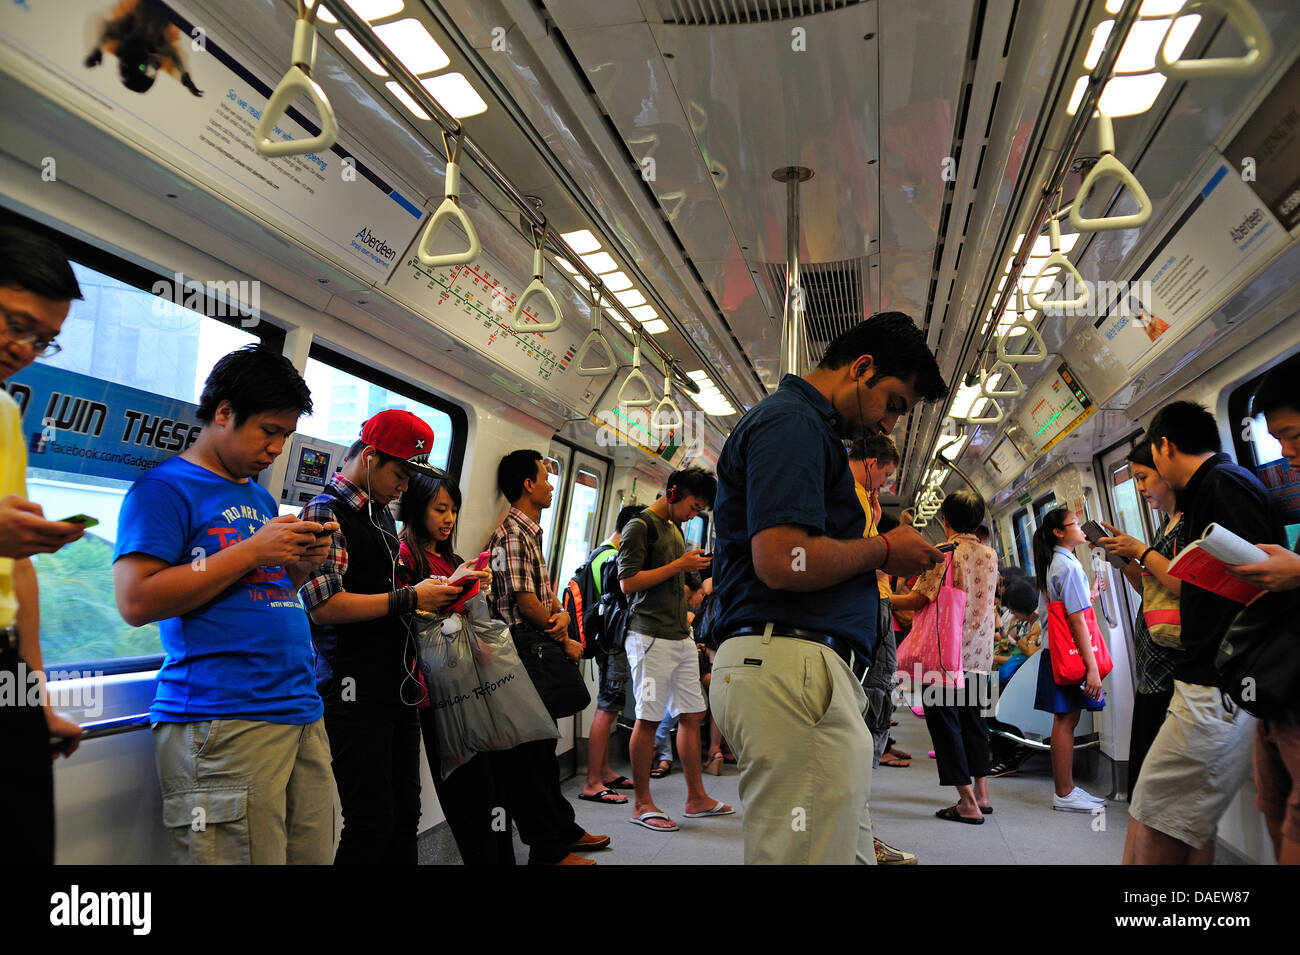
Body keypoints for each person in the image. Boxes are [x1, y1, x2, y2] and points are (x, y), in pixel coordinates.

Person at [710, 311, 948, 865]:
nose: (890, 423)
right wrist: (888, 552)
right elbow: (781, 559)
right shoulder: (791, 423)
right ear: (861, 368)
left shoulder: (809, 430)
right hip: (792, 665)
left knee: (836, 849)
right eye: (893, 403)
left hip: (802, 666)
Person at [113, 345, 339, 864]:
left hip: (298, 706)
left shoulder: (258, 498)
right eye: (269, 431)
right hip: (223, 715)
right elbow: (136, 599)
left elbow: (259, 585)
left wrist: (298, 567)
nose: (277, 448)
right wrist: (252, 550)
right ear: (223, 413)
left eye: (285, 435)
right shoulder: (163, 490)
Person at [297, 410, 463, 865]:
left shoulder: (380, 516)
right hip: (352, 691)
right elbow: (325, 606)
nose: (406, 486)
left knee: (404, 813)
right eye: (401, 473)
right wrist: (410, 598)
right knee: (370, 819)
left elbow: (391, 595)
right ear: (370, 457)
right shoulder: (325, 514)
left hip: (397, 687)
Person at [1128, 401, 1282, 864]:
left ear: (1164, 446)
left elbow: (1260, 583)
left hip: (1218, 684)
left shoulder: (1222, 487)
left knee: (1160, 816)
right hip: (1206, 680)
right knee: (1171, 814)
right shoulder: (1215, 488)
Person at [0, 224, 86, 864]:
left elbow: (16, 569)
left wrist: (34, 697)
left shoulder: (5, 412)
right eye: (13, 323)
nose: (23, 348)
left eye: (42, 341)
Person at [487, 449, 609, 864]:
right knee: (533, 752)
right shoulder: (512, 534)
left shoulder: (531, 532)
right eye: (545, 476)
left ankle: (562, 829)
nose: (551, 484)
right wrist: (559, 631)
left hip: (536, 643)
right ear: (527, 484)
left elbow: (545, 596)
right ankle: (548, 848)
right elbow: (525, 604)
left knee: (543, 746)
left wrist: (558, 620)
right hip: (523, 650)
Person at [619, 468, 733, 831]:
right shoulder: (641, 526)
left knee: (692, 713)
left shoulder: (675, 528)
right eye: (692, 506)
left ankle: (696, 798)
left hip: (679, 636)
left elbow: (672, 578)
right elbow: (628, 582)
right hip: (649, 637)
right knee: (649, 719)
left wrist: (691, 571)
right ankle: (642, 803)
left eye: (700, 509)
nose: (693, 514)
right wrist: (679, 565)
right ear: (672, 493)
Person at [1221, 358, 1300, 866]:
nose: (1287, 454)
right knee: (1274, 806)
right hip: (1282, 692)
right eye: (1279, 440)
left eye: (1293, 435)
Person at [891, 489, 999, 825]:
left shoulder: (944, 554)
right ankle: (982, 793)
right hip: (980, 656)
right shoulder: (991, 554)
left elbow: (918, 599)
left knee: (946, 726)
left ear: (945, 521)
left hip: (945, 656)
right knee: (974, 724)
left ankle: (967, 803)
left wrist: (883, 601)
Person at [1091, 443, 1182, 841]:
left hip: (1170, 666)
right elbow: (1150, 592)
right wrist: (1125, 559)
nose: (1141, 487)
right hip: (1149, 665)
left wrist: (1140, 551)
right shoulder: (1163, 527)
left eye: (1144, 477)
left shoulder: (1186, 526)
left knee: (1161, 790)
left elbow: (1182, 586)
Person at [1028, 507, 1106, 813]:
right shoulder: (1069, 567)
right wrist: (1093, 669)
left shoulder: (1058, 563)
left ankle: (1066, 789)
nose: (1081, 528)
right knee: (1066, 720)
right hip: (1068, 654)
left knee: (1067, 718)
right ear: (1059, 533)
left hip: (1056, 651)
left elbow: (1066, 607)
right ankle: (1064, 792)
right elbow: (1077, 622)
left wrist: (1090, 594)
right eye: (1074, 524)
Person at [578, 504, 644, 804]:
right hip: (612, 642)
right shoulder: (608, 557)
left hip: (609, 639)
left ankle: (603, 770)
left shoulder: (602, 554)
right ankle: (592, 781)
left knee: (611, 706)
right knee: (606, 707)